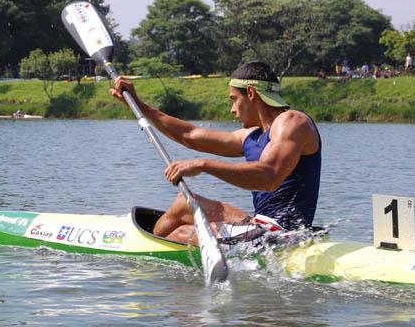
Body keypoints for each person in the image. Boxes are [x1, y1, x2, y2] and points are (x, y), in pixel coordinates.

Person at [110, 61, 321, 245]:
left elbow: (269, 177)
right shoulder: (251, 136)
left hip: (281, 234)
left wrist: (203, 165)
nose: (232, 110)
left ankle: (148, 254)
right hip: (260, 224)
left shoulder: (293, 121)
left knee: (179, 233)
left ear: (250, 93)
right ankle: (152, 245)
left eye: (233, 99)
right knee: (183, 204)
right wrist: (138, 105)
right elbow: (189, 135)